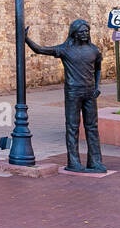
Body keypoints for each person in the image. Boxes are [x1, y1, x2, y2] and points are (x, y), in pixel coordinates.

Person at [25, 19, 106, 173]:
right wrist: (27, 39)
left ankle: (95, 162)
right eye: (81, 32)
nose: (84, 34)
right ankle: (74, 162)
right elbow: (41, 50)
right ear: (74, 34)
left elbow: (98, 69)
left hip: (90, 93)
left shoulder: (94, 50)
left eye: (86, 31)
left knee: (92, 127)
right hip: (73, 93)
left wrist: (97, 86)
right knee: (72, 127)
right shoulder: (65, 50)